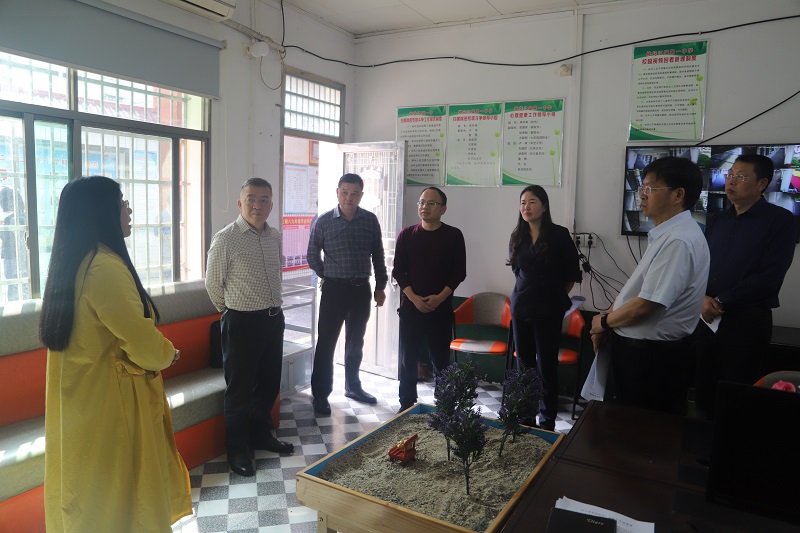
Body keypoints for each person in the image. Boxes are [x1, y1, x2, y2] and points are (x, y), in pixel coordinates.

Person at [39, 176, 191, 532]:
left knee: (90, 495)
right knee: (124, 499)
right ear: (100, 211)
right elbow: (140, 340)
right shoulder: (104, 267)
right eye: (122, 203)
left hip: (83, 400)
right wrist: (168, 354)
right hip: (112, 404)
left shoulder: (78, 262)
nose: (129, 210)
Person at [590, 157, 709, 415]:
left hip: (652, 361)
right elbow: (637, 290)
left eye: (650, 189)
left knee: (644, 431)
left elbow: (647, 305)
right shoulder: (668, 234)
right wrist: (608, 316)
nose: (641, 195)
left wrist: (604, 322)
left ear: (678, 195)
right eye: (641, 188)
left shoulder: (678, 241)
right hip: (643, 355)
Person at [694, 154, 796, 419]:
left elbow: (770, 276)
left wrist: (722, 300)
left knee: (738, 399)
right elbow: (701, 265)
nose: (731, 181)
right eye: (730, 175)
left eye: (740, 177)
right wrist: (702, 298)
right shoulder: (718, 220)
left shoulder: (781, 221)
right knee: (704, 394)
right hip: (706, 320)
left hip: (746, 323)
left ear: (762, 184)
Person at [206, 178, 294, 477]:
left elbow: (276, 273)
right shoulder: (225, 239)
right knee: (239, 390)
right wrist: (230, 312)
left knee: (269, 384)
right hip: (241, 322)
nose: (258, 205)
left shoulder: (274, 236)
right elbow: (212, 284)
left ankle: (260, 434)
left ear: (271, 204)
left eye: (264, 199)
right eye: (251, 198)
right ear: (240, 202)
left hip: (273, 319)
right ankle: (237, 449)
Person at [307, 173, 388, 415]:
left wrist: (380, 286)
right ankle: (320, 395)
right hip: (334, 291)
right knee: (326, 344)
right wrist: (328, 274)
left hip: (361, 290)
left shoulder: (370, 220)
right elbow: (312, 255)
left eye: (354, 193)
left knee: (355, 342)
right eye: (344, 192)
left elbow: (378, 255)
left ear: (361, 195)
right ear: (337, 192)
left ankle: (353, 387)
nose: (348, 198)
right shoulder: (324, 221)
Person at [508, 185, 581, 431]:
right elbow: (517, 271)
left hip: (549, 310)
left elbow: (571, 274)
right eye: (523, 203)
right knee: (524, 364)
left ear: (544, 206)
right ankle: (526, 414)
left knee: (547, 365)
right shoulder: (518, 235)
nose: (526, 207)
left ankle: (547, 418)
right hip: (521, 308)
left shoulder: (559, 234)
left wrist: (555, 297)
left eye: (532, 202)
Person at [392, 187, 467, 413]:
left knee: (441, 361)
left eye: (431, 203)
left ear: (443, 209)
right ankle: (406, 404)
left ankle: (444, 407)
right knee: (408, 359)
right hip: (411, 308)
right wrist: (414, 299)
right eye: (422, 202)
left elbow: (459, 273)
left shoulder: (454, 236)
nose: (425, 206)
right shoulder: (407, 235)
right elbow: (399, 271)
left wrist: (440, 298)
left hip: (440, 310)